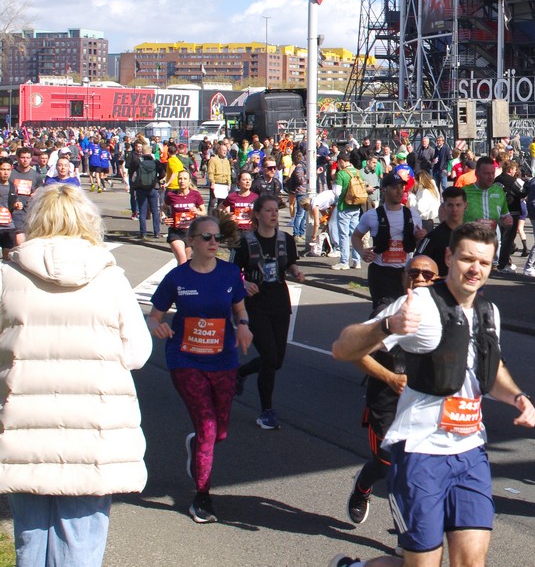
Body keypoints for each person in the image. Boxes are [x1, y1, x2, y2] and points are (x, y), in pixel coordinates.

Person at [329, 223, 535, 567]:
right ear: (449, 257)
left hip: (470, 452)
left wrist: (517, 397)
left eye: (484, 263)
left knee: (471, 562)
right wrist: (387, 326)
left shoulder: (489, 312)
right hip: (421, 452)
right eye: (467, 259)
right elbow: (342, 348)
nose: (475, 269)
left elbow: (492, 368)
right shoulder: (420, 306)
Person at [0, 184, 150, 566]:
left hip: (23, 429)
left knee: (30, 543)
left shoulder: (7, 275)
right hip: (93, 430)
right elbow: (138, 352)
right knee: (81, 544)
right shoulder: (110, 278)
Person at [148, 214, 254, 523]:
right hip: (185, 360)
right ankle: (202, 496)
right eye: (206, 237)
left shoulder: (230, 273)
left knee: (219, 432)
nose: (213, 242)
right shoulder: (177, 278)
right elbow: (154, 315)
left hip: (223, 360)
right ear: (191, 241)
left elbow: (239, 308)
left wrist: (243, 325)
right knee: (207, 427)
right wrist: (157, 326)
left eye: (216, 237)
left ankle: (196, 446)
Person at [346, 254, 439, 531]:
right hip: (386, 401)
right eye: (413, 273)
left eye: (427, 275)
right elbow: (353, 351)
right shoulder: (389, 312)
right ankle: (362, 486)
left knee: (413, 471)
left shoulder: (444, 315)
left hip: (423, 405)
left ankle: (405, 534)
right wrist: (390, 377)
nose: (420, 279)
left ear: (436, 280)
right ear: (403, 277)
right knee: (387, 464)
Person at [234, 195, 306, 431]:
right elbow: (232, 272)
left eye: (276, 210)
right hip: (255, 304)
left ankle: (241, 372)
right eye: (268, 210)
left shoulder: (286, 239)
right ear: (257, 214)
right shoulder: (245, 242)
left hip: (279, 301)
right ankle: (266, 411)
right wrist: (244, 283)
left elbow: (290, 262)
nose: (274, 214)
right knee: (269, 357)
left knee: (277, 361)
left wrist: (296, 271)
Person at [354, 173, 427, 307]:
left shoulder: (413, 215)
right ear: (384, 190)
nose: (399, 191)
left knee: (403, 310)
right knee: (383, 310)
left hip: (404, 273)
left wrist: (421, 237)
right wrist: (362, 252)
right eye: (394, 188)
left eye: (401, 187)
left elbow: (418, 247)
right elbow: (356, 236)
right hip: (381, 272)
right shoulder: (372, 215)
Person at [417, 186, 466, 272]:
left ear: (465, 205)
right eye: (450, 205)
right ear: (444, 207)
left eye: (458, 205)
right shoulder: (432, 237)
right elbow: (418, 261)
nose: (454, 209)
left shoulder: (470, 235)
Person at [332, 151, 367, 271]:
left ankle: (344, 261)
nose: (338, 165)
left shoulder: (341, 174)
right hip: (356, 206)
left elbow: (337, 192)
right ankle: (357, 261)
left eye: (338, 163)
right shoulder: (357, 172)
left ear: (341, 161)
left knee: (343, 235)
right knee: (355, 234)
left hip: (344, 207)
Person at [164, 171, 207, 265]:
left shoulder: (195, 194)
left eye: (185, 179)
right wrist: (164, 218)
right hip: (175, 232)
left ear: (189, 181)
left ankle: (179, 274)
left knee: (185, 263)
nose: (182, 181)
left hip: (190, 233)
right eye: (180, 179)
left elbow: (204, 212)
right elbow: (163, 208)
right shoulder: (171, 195)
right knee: (182, 260)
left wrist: (197, 212)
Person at [206, 141, 233, 212]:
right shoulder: (213, 160)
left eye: (226, 150)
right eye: (223, 150)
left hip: (224, 183)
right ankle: (210, 216)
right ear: (219, 151)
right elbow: (210, 172)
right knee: (212, 202)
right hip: (216, 183)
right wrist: (212, 183)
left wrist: (229, 184)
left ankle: (219, 216)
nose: (225, 152)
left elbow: (228, 173)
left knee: (221, 203)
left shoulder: (227, 161)